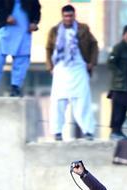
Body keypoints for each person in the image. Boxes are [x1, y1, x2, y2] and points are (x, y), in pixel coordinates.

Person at [46, 4, 98, 141]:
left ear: (74, 16)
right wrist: (50, 67)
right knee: (58, 102)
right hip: (61, 68)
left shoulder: (83, 29)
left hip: (79, 68)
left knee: (83, 101)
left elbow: (94, 44)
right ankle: (57, 132)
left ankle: (88, 131)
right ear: (62, 16)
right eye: (66, 16)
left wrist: (91, 63)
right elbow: (48, 49)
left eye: (70, 16)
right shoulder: (54, 31)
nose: (68, 18)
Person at [0, 0, 41, 97]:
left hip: (24, 30)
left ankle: (16, 87)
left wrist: (34, 22)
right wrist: (6, 17)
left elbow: (36, 9)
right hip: (5, 28)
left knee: (22, 59)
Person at [106, 24, 127, 141]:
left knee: (124, 110)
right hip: (119, 86)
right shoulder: (118, 47)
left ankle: (119, 131)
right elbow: (110, 63)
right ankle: (114, 132)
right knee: (117, 110)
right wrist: (119, 74)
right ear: (124, 35)